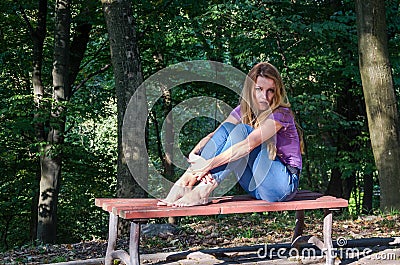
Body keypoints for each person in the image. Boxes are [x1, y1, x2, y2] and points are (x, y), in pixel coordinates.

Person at [158, 62, 303, 207]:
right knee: (228, 127)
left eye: (270, 90)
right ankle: (185, 182)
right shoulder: (243, 110)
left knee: (242, 131)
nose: (264, 96)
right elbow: (215, 135)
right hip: (256, 187)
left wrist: (208, 165)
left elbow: (247, 145)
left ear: (276, 92)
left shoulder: (281, 114)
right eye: (259, 89)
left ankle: (203, 191)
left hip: (282, 185)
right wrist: (195, 155)